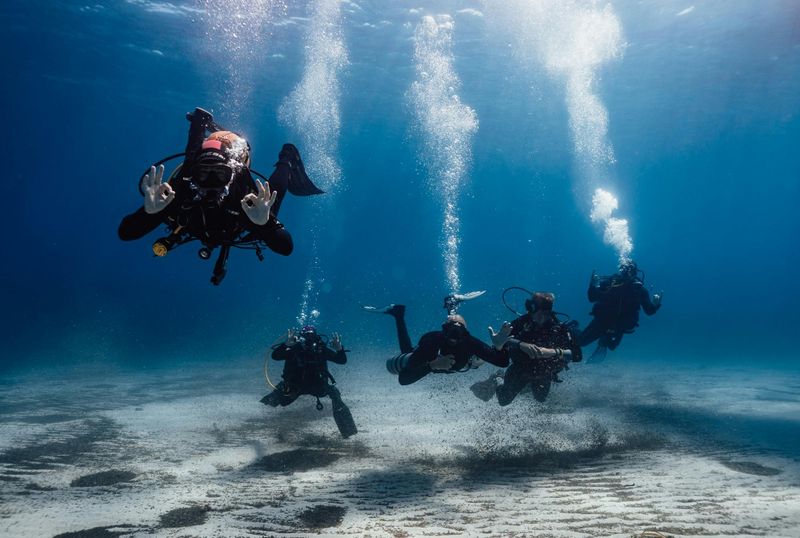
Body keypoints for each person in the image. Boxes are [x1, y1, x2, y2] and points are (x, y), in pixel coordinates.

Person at [118, 107, 323, 284]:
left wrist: (265, 223)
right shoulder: (179, 193)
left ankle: (286, 158)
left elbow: (286, 247)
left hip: (239, 199)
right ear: (195, 177)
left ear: (230, 175)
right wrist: (150, 212)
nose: (211, 183)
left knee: (270, 200)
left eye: (220, 175)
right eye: (203, 175)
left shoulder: (244, 199)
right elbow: (126, 233)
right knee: (192, 163)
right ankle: (200, 125)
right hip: (198, 181)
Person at [364, 295, 511, 386]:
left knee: (477, 361)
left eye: (458, 333)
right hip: (435, 359)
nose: (454, 338)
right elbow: (403, 379)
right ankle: (400, 315)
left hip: (468, 361)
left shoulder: (470, 342)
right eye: (450, 332)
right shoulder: (432, 341)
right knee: (405, 356)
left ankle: (450, 305)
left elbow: (502, 362)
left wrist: (499, 346)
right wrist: (432, 365)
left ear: (465, 333)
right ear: (443, 331)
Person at [470, 292, 582, 405]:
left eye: (544, 313)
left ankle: (525, 385)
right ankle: (499, 378)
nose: (539, 317)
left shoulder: (559, 327)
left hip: (544, 371)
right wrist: (521, 344)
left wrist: (553, 352)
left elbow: (577, 355)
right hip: (521, 367)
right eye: (535, 312)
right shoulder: (522, 322)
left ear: (548, 312)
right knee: (504, 400)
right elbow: (501, 342)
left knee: (540, 398)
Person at [260, 325, 357, 439]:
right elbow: (275, 356)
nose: (309, 340)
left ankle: (347, 431)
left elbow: (341, 360)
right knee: (277, 400)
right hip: (294, 386)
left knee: (334, 392)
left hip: (318, 386)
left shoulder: (320, 350)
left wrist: (339, 349)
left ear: (316, 337)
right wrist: (286, 345)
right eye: (307, 336)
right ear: (301, 338)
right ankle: (264, 416)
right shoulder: (294, 349)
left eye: (312, 336)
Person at [578, 260, 662, 360]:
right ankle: (574, 329)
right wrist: (592, 285)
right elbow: (592, 298)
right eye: (625, 270)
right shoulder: (609, 283)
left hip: (621, 324)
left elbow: (649, 311)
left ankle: (605, 338)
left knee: (611, 346)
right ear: (621, 271)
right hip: (603, 321)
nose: (627, 273)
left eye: (630, 270)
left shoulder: (639, 289)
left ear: (634, 272)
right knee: (581, 342)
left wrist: (656, 304)